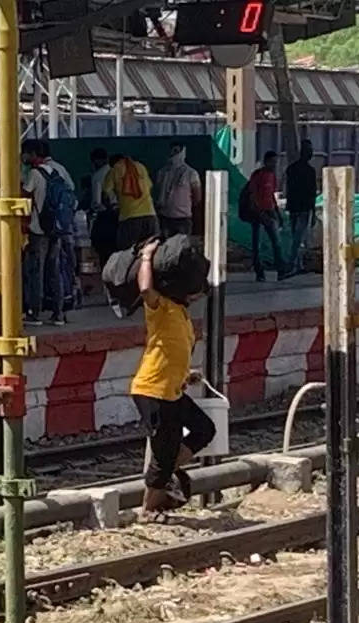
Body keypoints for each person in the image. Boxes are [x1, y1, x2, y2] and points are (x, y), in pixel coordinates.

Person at [130, 237, 216, 515]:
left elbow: (174, 352)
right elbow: (145, 289)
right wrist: (146, 256)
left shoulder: (181, 314)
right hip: (152, 391)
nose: (197, 296)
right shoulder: (162, 308)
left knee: (204, 429)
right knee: (163, 455)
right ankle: (148, 508)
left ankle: (166, 474)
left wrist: (187, 374)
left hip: (173, 390)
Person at [21, 138, 74, 326]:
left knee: (37, 271)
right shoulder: (58, 170)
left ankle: (34, 313)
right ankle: (58, 313)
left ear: (34, 154)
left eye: (25, 153)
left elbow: (25, 196)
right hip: (58, 229)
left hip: (39, 229)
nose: (23, 156)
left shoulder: (35, 174)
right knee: (55, 270)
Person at [245, 151, 287, 282]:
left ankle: (281, 270)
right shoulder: (258, 175)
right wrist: (260, 213)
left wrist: (278, 214)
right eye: (272, 162)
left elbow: (272, 196)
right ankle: (259, 272)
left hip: (270, 211)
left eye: (276, 162)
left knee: (276, 242)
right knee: (257, 244)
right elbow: (252, 195)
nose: (275, 165)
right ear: (266, 161)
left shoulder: (272, 176)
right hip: (258, 213)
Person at [103, 153, 158, 251]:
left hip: (129, 218)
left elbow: (106, 193)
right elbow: (149, 186)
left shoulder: (114, 170)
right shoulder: (141, 167)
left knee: (127, 253)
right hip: (150, 216)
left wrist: (113, 206)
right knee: (151, 253)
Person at [154, 141, 201, 239]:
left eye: (177, 151)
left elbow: (197, 197)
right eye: (173, 151)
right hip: (165, 217)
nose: (174, 153)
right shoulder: (162, 172)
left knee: (181, 248)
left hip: (182, 219)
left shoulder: (190, 173)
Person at [285, 140, 318, 273]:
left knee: (296, 236)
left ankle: (298, 264)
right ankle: (293, 263)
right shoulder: (310, 171)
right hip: (304, 208)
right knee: (299, 237)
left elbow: (288, 188)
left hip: (293, 207)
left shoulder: (291, 169)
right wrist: (313, 210)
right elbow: (312, 192)